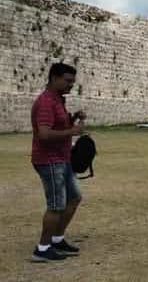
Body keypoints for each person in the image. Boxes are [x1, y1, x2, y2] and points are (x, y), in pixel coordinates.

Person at [30, 62, 86, 262]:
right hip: (49, 160)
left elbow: (57, 125)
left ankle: (56, 238)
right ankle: (43, 248)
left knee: (74, 198)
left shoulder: (57, 100)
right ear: (54, 78)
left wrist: (72, 119)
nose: (71, 85)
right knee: (55, 205)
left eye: (72, 81)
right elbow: (44, 134)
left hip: (62, 158)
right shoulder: (46, 102)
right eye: (67, 80)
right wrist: (72, 131)